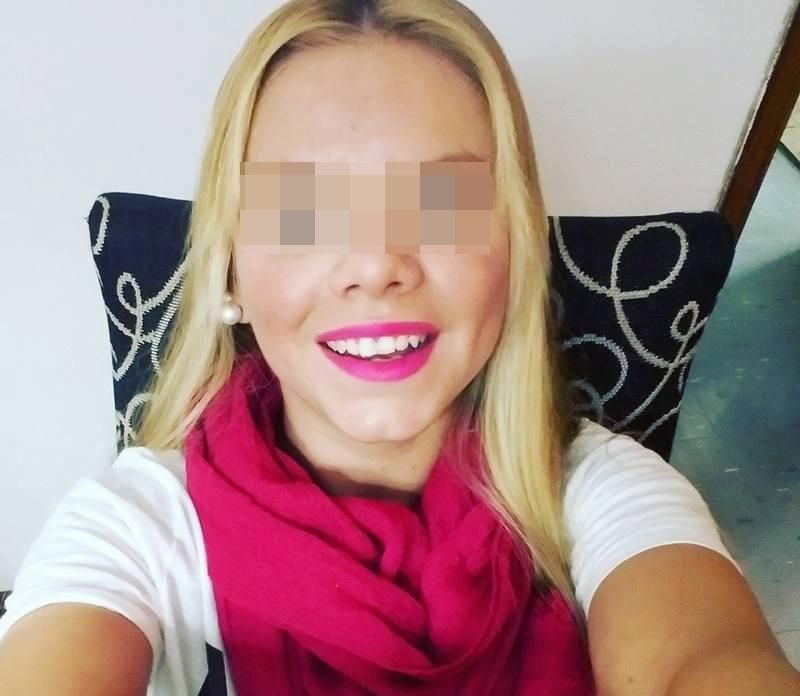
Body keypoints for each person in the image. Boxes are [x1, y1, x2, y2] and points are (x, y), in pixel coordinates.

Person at [1, 1, 798, 694]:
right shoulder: (134, 527)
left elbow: (706, 660)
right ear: (231, 271)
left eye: (442, 202)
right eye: (303, 210)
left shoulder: (608, 496)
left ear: (513, 253)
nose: (378, 263)